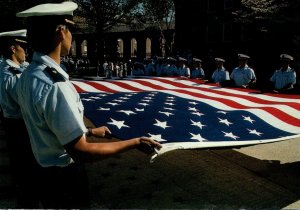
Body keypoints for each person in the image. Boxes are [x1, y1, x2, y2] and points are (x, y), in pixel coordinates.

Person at [16, 2, 161, 208]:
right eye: (71, 29)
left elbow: (48, 125)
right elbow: (81, 152)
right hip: (65, 178)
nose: (72, 36)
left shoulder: (28, 75)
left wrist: (90, 132)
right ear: (61, 32)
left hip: (43, 171)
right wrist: (135, 142)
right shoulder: (55, 85)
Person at [0, 29, 39, 208]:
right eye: (22, 46)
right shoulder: (10, 75)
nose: (26, 50)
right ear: (12, 48)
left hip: (16, 124)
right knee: (26, 171)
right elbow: (26, 103)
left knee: (24, 169)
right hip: (19, 125)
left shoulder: (14, 69)